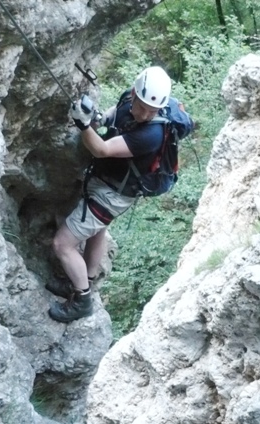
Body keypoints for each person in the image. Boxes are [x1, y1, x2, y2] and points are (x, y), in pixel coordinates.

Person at [47, 66, 174, 323]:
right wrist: (98, 119)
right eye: (143, 107)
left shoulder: (152, 134)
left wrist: (83, 125)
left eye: (153, 110)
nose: (147, 114)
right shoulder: (129, 100)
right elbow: (115, 116)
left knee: (62, 244)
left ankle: (82, 300)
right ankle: (84, 282)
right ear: (134, 94)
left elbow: (102, 149)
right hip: (109, 186)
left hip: (113, 195)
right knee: (98, 230)